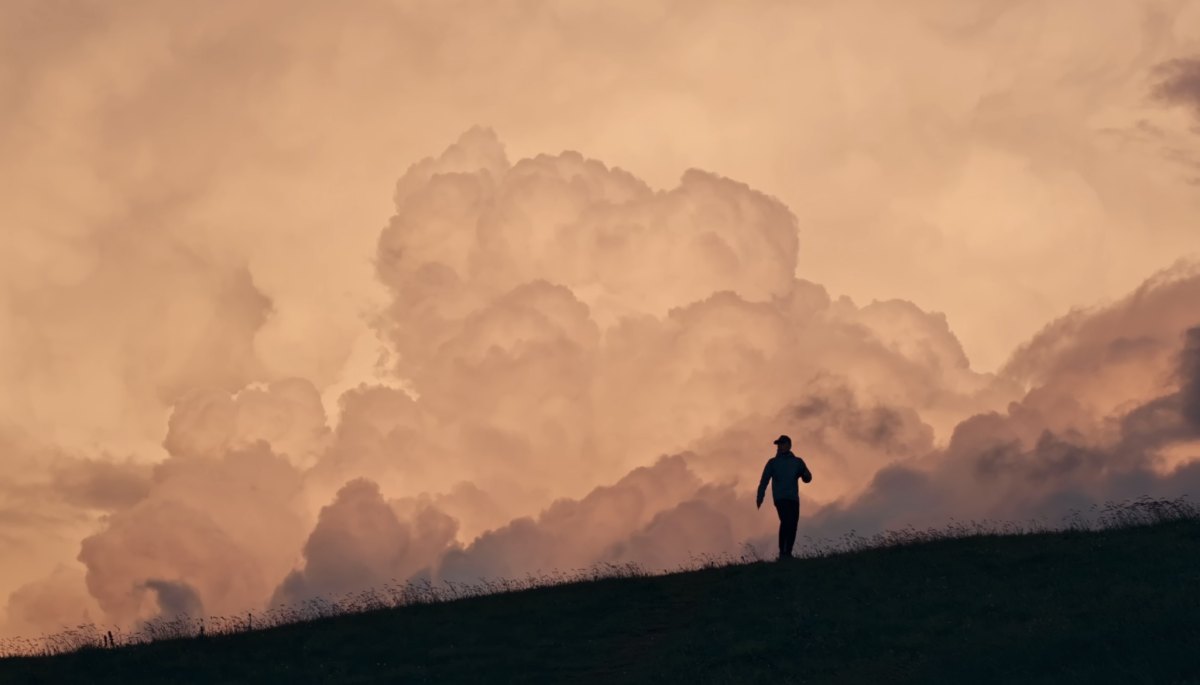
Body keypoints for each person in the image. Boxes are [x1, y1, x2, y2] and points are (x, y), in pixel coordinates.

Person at [756, 435, 812, 559]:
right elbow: (764, 480)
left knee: (793, 524)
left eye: (782, 444)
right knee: (786, 521)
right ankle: (782, 552)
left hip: (793, 498)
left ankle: (788, 553)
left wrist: (805, 475)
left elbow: (807, 478)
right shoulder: (773, 463)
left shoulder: (798, 462)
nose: (779, 446)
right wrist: (760, 496)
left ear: (789, 445)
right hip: (780, 498)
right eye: (778, 444)